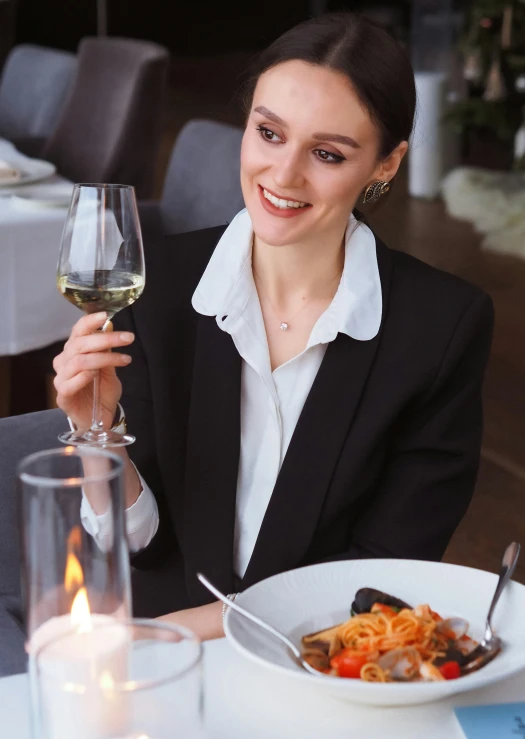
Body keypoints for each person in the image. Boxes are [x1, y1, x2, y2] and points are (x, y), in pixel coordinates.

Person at [53, 13, 494, 641]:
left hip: (315, 667)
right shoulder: (159, 286)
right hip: (165, 673)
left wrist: (181, 633)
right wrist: (96, 432)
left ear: (386, 164)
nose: (283, 176)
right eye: (268, 133)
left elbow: (385, 578)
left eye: (326, 153)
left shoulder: (442, 328)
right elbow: (142, 543)